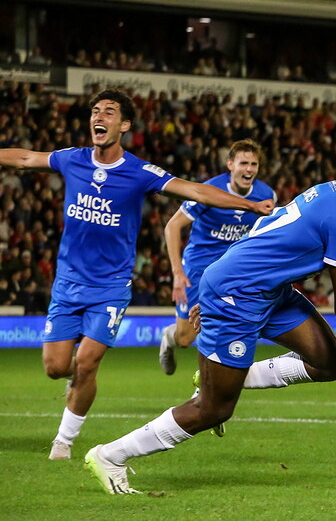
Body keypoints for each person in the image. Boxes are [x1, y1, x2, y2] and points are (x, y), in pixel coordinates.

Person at [84, 135, 336, 495]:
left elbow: (264, 230)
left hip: (267, 290)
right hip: (237, 295)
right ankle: (110, 456)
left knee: (333, 363)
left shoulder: (334, 193)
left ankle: (227, 375)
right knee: (214, 409)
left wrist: (219, 277)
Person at [0, 89, 275, 462]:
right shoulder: (72, 160)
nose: (100, 116)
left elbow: (194, 190)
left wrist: (250, 205)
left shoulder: (140, 172)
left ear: (124, 125)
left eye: (109, 112)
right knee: (56, 367)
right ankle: (74, 382)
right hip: (67, 282)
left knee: (88, 363)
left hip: (111, 286)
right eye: (96, 111)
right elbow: (26, 157)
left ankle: (63, 441)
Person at [159, 139, 276, 375]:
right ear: (230, 164)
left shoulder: (266, 194)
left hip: (233, 273)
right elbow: (172, 227)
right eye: (243, 163)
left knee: (228, 325)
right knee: (185, 338)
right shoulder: (208, 190)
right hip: (198, 269)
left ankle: (211, 382)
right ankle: (168, 338)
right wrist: (177, 273)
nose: (249, 169)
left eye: (254, 164)